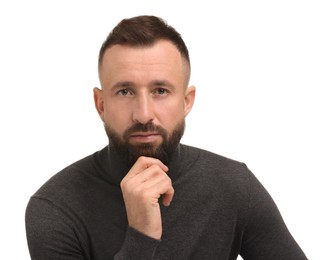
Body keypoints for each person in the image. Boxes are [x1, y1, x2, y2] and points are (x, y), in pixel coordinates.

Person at [25, 15, 308, 260]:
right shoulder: (55, 208)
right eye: (125, 91)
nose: (144, 114)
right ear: (101, 104)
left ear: (187, 101)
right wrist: (141, 236)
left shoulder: (234, 186)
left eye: (160, 90)